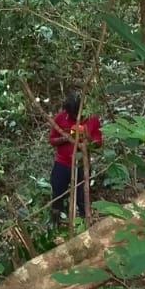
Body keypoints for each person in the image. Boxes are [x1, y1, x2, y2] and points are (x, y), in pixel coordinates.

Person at [49, 91, 102, 224]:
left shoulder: (92, 119)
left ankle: (85, 223)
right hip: (62, 163)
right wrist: (66, 137)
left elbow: (98, 143)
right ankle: (55, 222)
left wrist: (87, 138)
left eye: (75, 113)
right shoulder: (61, 118)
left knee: (82, 197)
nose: (73, 116)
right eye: (71, 114)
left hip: (81, 164)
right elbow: (52, 140)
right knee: (57, 192)